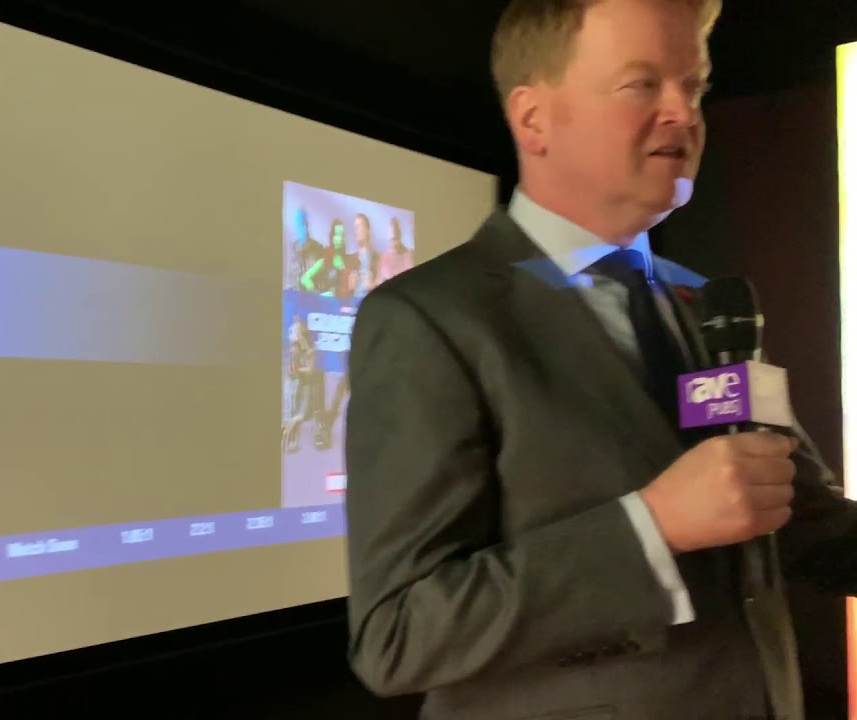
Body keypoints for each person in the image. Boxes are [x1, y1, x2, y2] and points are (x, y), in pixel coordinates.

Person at [342, 1, 857, 718]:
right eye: (642, 84)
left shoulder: (706, 305)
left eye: (695, 86)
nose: (683, 112)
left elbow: (801, 521)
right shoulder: (430, 319)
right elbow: (399, 636)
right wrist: (653, 527)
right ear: (534, 120)